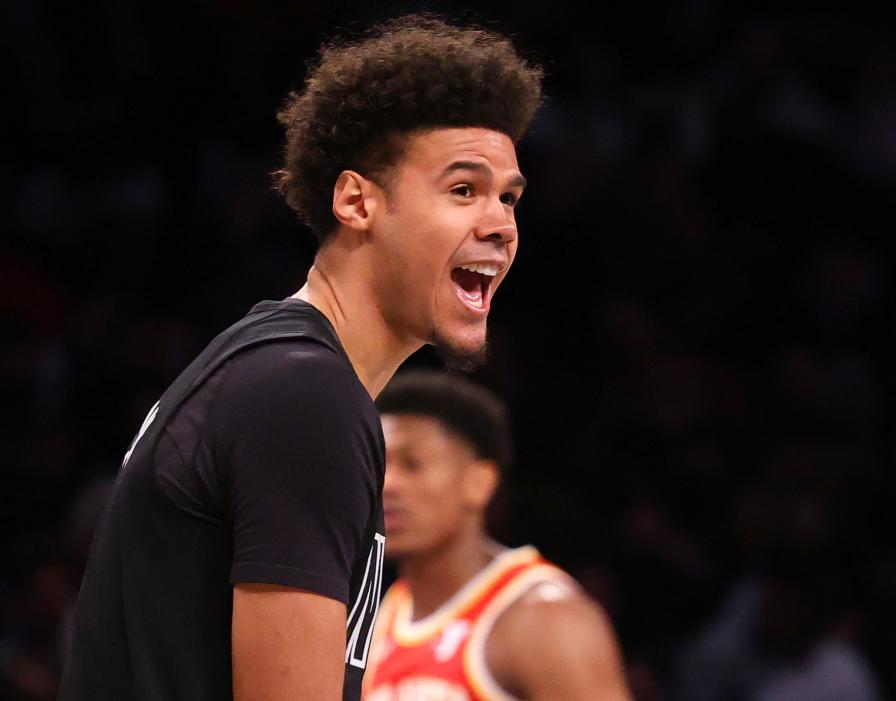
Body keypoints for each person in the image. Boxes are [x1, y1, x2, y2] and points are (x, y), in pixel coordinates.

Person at [58, 14, 542, 701]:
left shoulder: (273, 368)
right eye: (463, 190)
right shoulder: (304, 396)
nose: (499, 223)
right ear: (356, 201)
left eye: (509, 198)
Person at [365, 371, 633, 701]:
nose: (388, 485)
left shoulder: (544, 619)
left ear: (479, 482)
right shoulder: (384, 617)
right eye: (378, 466)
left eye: (412, 464)